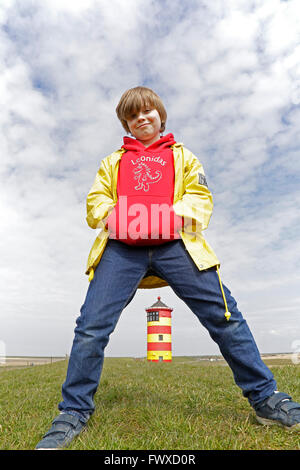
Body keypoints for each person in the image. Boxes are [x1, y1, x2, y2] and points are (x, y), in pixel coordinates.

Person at [36, 86, 300, 449]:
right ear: (126, 123)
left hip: (178, 245)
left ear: (159, 114)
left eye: (147, 111)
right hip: (121, 249)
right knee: (90, 328)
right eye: (132, 115)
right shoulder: (112, 162)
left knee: (225, 317)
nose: (141, 118)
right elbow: (96, 200)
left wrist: (162, 219)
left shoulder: (185, 157)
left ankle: (266, 399)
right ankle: (73, 411)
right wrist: (118, 218)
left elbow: (201, 199)